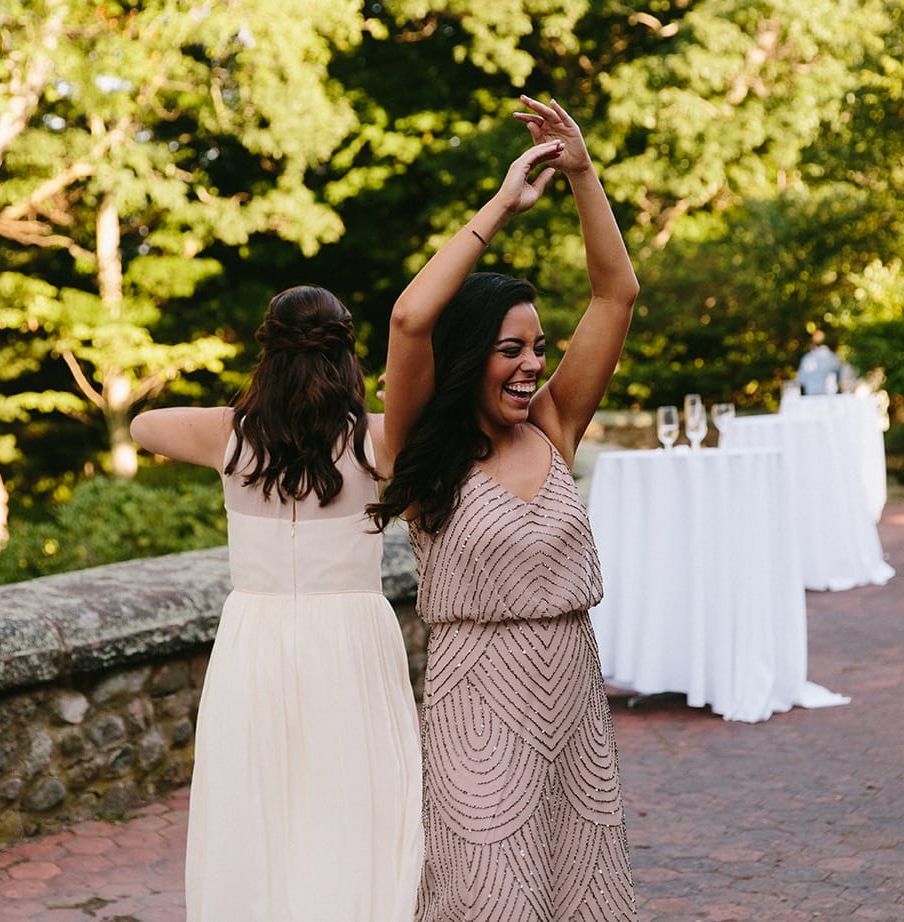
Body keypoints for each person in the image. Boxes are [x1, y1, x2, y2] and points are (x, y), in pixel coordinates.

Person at [370, 96, 638, 920]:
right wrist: (503, 202)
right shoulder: (419, 454)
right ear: (467, 358)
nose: (531, 367)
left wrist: (583, 173)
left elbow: (616, 293)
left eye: (539, 349)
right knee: (490, 891)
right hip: (475, 705)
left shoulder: (555, 425)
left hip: (571, 696)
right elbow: (412, 317)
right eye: (510, 349)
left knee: (578, 889)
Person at [129, 286, 422, 922]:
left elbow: (142, 425)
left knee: (259, 801)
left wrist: (243, 414)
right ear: (346, 357)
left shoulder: (230, 438)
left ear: (268, 355)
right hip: (351, 635)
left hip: (256, 635)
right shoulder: (379, 442)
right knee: (355, 801)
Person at [797, 329, 842, 395]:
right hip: (829, 395)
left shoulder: (807, 358)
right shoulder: (833, 358)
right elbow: (840, 378)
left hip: (811, 394)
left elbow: (801, 380)